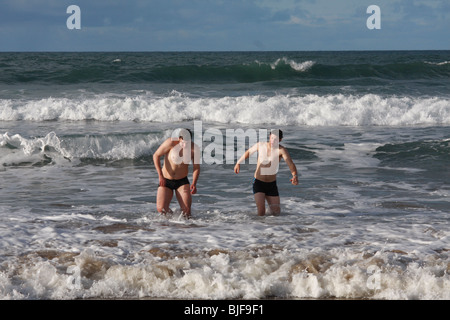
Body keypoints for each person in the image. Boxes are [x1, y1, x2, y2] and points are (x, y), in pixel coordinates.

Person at [234, 129, 298, 216]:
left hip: (271, 185)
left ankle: (272, 229)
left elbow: (290, 163)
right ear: (269, 137)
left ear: (280, 140)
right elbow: (249, 152)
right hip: (258, 182)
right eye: (271, 138)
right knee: (261, 211)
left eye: (275, 139)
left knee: (276, 212)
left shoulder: (281, 150)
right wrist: (238, 163)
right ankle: (257, 228)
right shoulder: (261, 145)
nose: (273, 141)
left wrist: (294, 175)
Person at [153, 128, 200, 218]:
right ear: (179, 139)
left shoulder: (194, 149)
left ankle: (185, 228)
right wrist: (160, 175)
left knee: (186, 212)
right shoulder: (170, 143)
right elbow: (156, 155)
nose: (185, 145)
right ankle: (173, 221)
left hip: (182, 181)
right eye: (183, 142)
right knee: (161, 209)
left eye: (188, 142)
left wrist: (194, 183)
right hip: (166, 180)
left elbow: (196, 168)